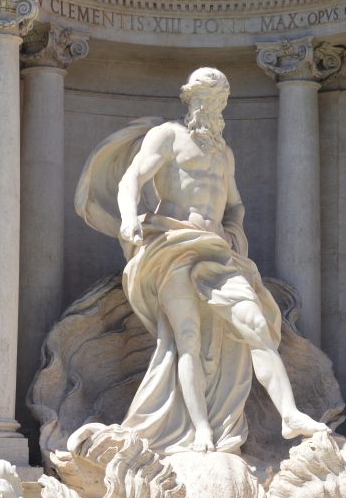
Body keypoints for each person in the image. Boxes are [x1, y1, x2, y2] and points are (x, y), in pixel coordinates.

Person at [75, 67, 326, 454]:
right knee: (187, 339)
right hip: (173, 244)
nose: (210, 106)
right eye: (203, 98)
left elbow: (236, 204)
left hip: (217, 252)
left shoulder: (224, 153)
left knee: (257, 326)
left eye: (217, 100)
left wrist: (233, 232)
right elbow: (132, 180)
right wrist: (128, 218)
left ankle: (289, 414)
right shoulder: (167, 136)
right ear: (189, 99)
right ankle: (201, 430)